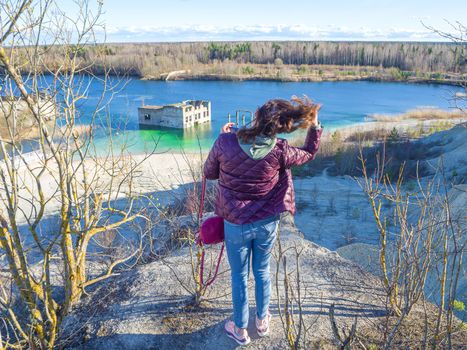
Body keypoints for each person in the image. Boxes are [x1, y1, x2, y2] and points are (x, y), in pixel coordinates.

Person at [203, 96, 322, 345]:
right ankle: (261, 321)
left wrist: (226, 135)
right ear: (279, 126)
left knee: (239, 275)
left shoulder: (226, 142)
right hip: (267, 222)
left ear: (257, 117)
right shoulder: (280, 150)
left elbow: (209, 172)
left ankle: (239, 328)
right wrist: (314, 126)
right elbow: (309, 153)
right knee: (262, 271)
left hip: (235, 221)